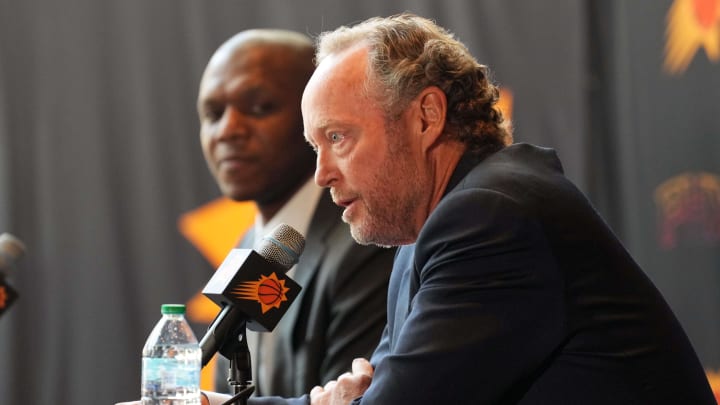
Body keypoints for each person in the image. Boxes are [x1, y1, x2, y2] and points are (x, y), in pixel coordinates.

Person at [299, 13, 717, 405]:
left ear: (427, 117)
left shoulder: (491, 218)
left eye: (337, 137)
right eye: (315, 147)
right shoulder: (429, 233)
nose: (321, 174)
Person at [117, 29, 394, 405]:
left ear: (315, 115)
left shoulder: (367, 239)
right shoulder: (251, 247)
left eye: (260, 107)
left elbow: (354, 398)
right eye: (213, 114)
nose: (228, 130)